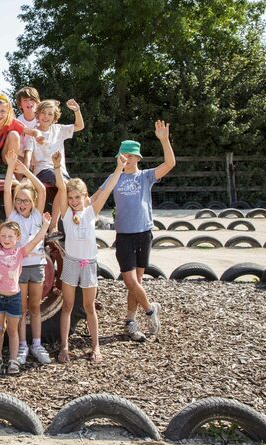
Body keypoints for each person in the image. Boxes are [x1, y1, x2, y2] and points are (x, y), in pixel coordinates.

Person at [97, 121, 174, 342]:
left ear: (138, 158)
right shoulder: (114, 178)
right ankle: (151, 310)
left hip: (144, 232)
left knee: (137, 281)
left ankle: (130, 320)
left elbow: (170, 163)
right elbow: (96, 197)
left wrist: (164, 140)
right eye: (123, 156)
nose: (127, 159)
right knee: (130, 280)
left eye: (131, 156)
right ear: (118, 158)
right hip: (124, 234)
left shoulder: (146, 176)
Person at [53, 152, 126, 363]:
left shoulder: (91, 212)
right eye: (71, 198)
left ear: (85, 197)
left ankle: (96, 347)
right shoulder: (66, 213)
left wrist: (119, 168)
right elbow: (60, 187)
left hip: (89, 264)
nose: (74, 201)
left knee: (89, 307)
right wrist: (57, 167)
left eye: (78, 197)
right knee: (67, 306)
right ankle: (64, 347)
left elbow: (108, 188)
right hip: (71, 263)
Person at [0, 204, 50, 375]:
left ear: (17, 238)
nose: (6, 239)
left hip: (14, 298)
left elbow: (36, 240)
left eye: (10, 236)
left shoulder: (20, 252)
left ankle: (13, 360)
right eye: (3, 235)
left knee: (13, 331)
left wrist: (44, 225)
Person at [3, 149, 51, 364]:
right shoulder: (12, 216)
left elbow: (41, 189)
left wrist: (25, 172)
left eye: (26, 201)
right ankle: (22, 346)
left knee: (35, 307)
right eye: (18, 200)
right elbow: (6, 190)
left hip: (37, 266)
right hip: (19, 268)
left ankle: (37, 344)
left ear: (32, 202)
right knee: (20, 308)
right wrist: (10, 170)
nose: (22, 204)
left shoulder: (38, 217)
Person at [25, 98, 84, 233]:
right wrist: (26, 174)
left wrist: (77, 110)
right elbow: (28, 155)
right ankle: (53, 226)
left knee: (77, 190)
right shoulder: (33, 133)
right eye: (43, 113)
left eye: (50, 114)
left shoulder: (58, 129)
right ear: (38, 114)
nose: (46, 116)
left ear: (55, 117)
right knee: (62, 185)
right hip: (43, 170)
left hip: (60, 170)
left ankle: (77, 224)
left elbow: (79, 126)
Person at [14, 86, 41, 168]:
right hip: (23, 155)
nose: (29, 103)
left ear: (37, 102)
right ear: (20, 105)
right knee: (17, 161)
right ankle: (21, 178)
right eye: (25, 100)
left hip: (40, 154)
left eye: (32, 99)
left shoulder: (43, 118)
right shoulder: (18, 121)